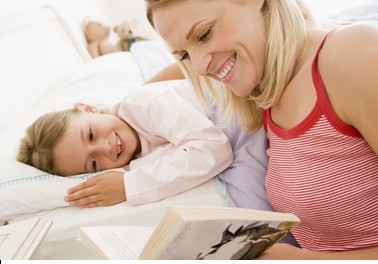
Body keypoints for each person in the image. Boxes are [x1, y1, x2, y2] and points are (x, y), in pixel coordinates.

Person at [144, 0, 378, 259]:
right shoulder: (264, 91)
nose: (200, 68)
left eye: (204, 35)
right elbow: (177, 75)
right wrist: (114, 111)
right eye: (184, 55)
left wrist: (307, 263)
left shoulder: (355, 54)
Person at [17, 80, 233, 207]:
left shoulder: (144, 103)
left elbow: (212, 148)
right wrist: (129, 169)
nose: (105, 148)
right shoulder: (134, 160)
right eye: (93, 163)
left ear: (89, 109)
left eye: (90, 134)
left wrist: (129, 184)